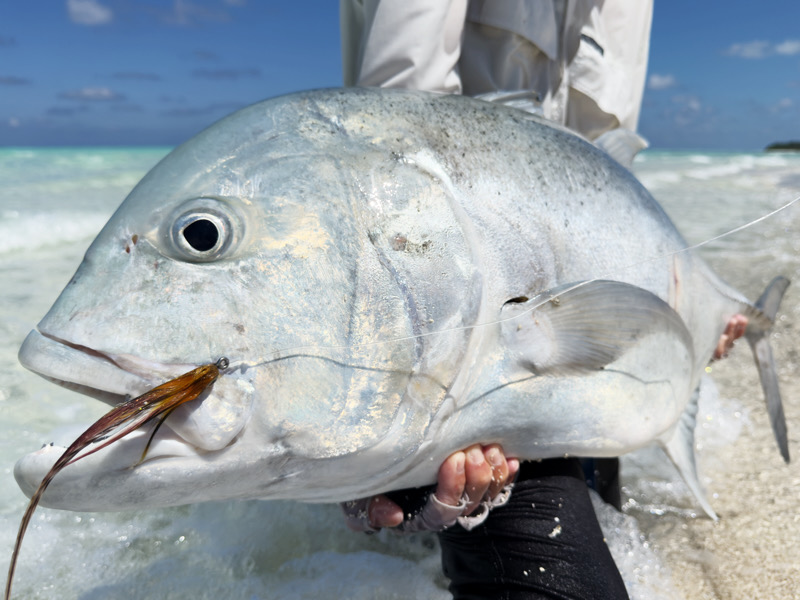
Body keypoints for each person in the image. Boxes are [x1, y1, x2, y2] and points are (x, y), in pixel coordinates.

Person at [337, 3, 747, 599]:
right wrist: (386, 403)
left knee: (609, 510)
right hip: (472, 326)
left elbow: (608, 167)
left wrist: (683, 315)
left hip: (577, 317)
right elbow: (398, 132)